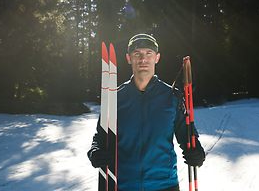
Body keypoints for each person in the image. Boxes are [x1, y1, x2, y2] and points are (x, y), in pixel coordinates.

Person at [88, 34, 205, 191]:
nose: (143, 59)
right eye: (137, 53)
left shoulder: (173, 96)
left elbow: (187, 134)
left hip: (164, 184)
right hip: (123, 184)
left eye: (148, 53)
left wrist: (197, 152)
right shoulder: (115, 97)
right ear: (129, 58)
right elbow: (100, 136)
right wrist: (94, 152)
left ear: (157, 58)